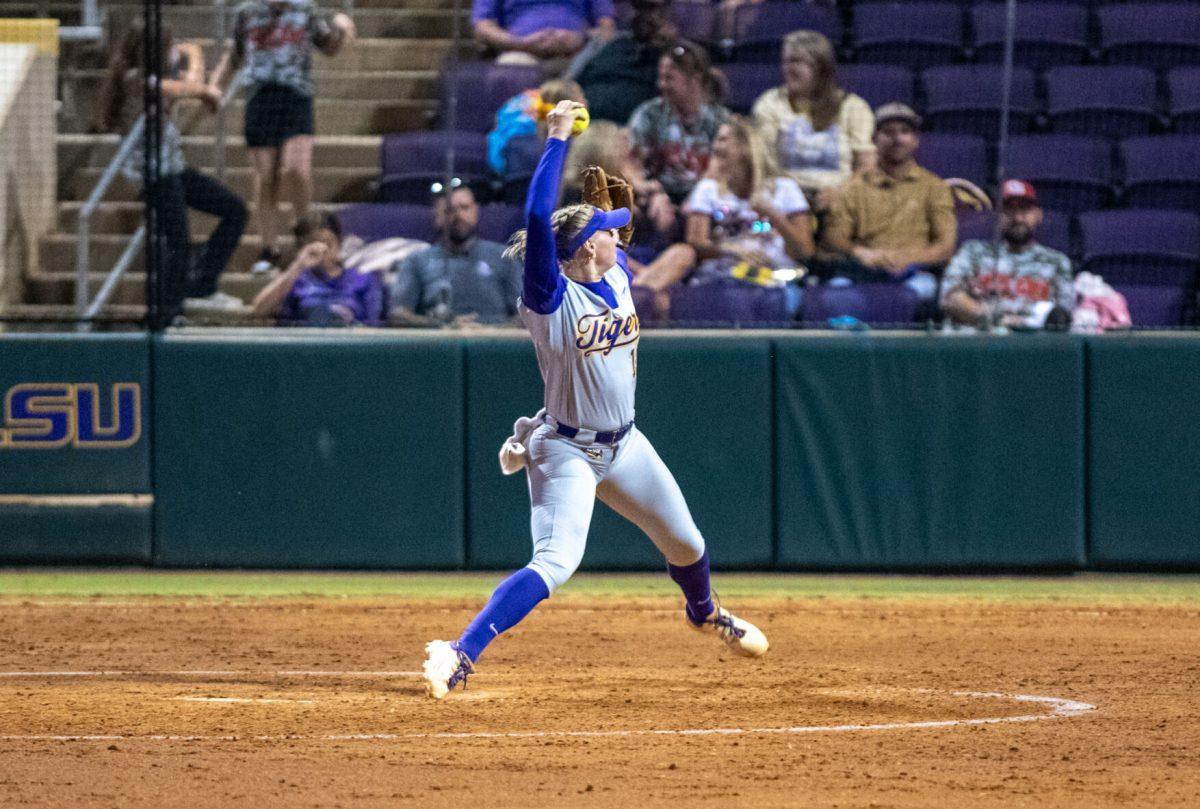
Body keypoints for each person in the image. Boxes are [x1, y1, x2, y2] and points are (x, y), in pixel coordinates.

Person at [421, 100, 768, 700]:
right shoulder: (550, 299)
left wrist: (600, 201)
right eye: (608, 233)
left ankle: (705, 613)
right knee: (556, 562)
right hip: (567, 451)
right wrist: (556, 138)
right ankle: (460, 651)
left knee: (687, 544)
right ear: (585, 250)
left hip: (625, 444)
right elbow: (536, 214)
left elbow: (607, 222)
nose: (619, 235)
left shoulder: (615, 273)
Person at [96, 23, 247, 318]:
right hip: (152, 173)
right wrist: (196, 70)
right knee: (177, 241)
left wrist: (194, 54)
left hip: (173, 168)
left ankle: (202, 286)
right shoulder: (135, 79)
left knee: (235, 210)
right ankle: (167, 312)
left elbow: (193, 82)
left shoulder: (158, 78)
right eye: (168, 46)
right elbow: (188, 87)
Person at [209, 0, 356, 274]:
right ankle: (269, 249)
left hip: (295, 96)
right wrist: (215, 86)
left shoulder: (305, 11)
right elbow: (235, 56)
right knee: (266, 178)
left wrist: (341, 28)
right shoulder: (247, 13)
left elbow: (330, 47)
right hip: (260, 96)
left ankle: (303, 226)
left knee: (295, 169)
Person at [818, 103, 956, 304]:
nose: (897, 139)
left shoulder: (935, 187)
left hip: (915, 274)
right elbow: (835, 238)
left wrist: (909, 258)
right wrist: (860, 252)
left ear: (916, 140)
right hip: (862, 273)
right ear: (874, 139)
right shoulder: (853, 187)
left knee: (921, 293)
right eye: (888, 132)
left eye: (905, 132)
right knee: (835, 295)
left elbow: (945, 246)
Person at [563, 120, 694, 311]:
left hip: (641, 271)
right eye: (627, 158)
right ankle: (639, 295)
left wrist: (663, 216)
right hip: (601, 267)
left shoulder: (643, 195)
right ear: (607, 158)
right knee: (659, 300)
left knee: (684, 252)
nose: (636, 164)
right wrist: (648, 275)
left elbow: (660, 243)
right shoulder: (580, 195)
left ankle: (635, 295)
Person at [685, 117, 814, 288]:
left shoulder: (785, 188)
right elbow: (695, 243)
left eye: (723, 139)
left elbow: (805, 251)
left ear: (746, 146)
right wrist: (732, 251)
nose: (715, 146)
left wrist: (773, 214)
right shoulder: (707, 188)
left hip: (778, 277)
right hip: (722, 277)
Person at [751, 29, 876, 205]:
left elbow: (866, 166)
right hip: (784, 200)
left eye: (796, 61)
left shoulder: (853, 107)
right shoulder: (769, 104)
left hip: (839, 199)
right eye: (785, 62)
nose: (788, 69)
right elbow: (760, 162)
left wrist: (841, 192)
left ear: (821, 66)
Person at [941, 180, 1075, 330]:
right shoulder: (972, 252)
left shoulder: (1057, 262)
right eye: (1009, 210)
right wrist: (1001, 320)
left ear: (1038, 215)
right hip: (978, 342)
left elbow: (1063, 316)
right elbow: (949, 299)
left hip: (1034, 346)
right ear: (997, 215)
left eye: (1024, 209)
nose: (1017, 218)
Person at [389, 187, 523, 326]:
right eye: (449, 210)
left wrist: (492, 332)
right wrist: (441, 326)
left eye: (464, 208)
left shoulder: (505, 257)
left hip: (496, 343)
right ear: (437, 216)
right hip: (439, 343)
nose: (458, 215)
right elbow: (397, 315)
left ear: (476, 211)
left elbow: (527, 315)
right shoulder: (416, 260)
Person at [627, 40, 731, 204]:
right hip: (657, 198)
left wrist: (696, 199)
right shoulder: (649, 114)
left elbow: (723, 168)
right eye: (660, 77)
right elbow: (631, 163)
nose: (661, 84)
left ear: (695, 79)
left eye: (669, 78)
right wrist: (645, 189)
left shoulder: (719, 119)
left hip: (704, 199)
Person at [251, 215, 383, 325]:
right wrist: (298, 265)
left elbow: (372, 326)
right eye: (316, 243)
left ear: (339, 243)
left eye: (329, 243)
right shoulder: (295, 279)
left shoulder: (363, 279)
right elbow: (259, 309)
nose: (323, 249)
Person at [569, 0, 677, 125]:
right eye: (641, 9)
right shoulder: (610, 45)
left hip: (630, 130)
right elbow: (570, 80)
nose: (649, 18)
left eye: (655, 10)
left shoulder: (672, 59)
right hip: (581, 123)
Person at [472, 0, 615, 65]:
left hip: (577, 55)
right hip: (519, 52)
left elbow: (607, 28)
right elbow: (482, 28)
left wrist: (580, 38)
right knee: (510, 68)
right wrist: (519, 42)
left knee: (602, 71)